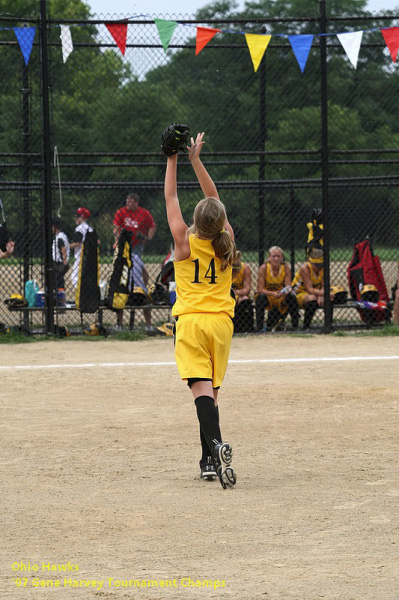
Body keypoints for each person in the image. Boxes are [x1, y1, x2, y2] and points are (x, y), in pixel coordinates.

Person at [164, 131, 236, 489]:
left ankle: (217, 446)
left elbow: (171, 195)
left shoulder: (184, 242)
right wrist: (195, 159)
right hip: (222, 325)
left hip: (191, 323)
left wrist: (171, 157)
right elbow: (213, 200)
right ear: (221, 222)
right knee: (208, 395)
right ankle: (208, 457)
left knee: (200, 392)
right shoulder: (227, 242)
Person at [256, 246, 299, 331]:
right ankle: (259, 327)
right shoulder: (264, 268)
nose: (276, 258)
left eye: (278, 256)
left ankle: (295, 325)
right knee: (260, 298)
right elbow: (260, 289)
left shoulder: (286, 268)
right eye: (273, 256)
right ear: (269, 257)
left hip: (280, 296)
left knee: (292, 298)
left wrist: (283, 293)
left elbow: (287, 286)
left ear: (282, 258)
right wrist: (272, 294)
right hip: (268, 296)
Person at [291, 247, 330, 329]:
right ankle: (306, 327)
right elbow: (309, 289)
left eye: (321, 264)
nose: (319, 267)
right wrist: (323, 293)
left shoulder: (323, 268)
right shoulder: (305, 268)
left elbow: (324, 286)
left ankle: (328, 325)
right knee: (312, 298)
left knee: (332, 296)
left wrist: (322, 295)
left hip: (314, 292)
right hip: (298, 293)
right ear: (310, 262)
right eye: (317, 265)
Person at [116, 254, 155, 334]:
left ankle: (119, 326)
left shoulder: (120, 259)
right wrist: (144, 286)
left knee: (119, 300)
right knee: (146, 302)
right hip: (139, 293)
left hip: (127, 293)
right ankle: (149, 326)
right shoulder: (137, 258)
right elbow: (146, 275)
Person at [113, 193, 156, 257]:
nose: (127, 203)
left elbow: (152, 226)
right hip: (124, 241)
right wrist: (117, 240)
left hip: (137, 242)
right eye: (127, 201)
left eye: (130, 202)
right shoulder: (121, 212)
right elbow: (116, 227)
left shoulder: (144, 213)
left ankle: (140, 266)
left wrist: (148, 238)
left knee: (135, 260)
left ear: (136, 203)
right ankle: (142, 267)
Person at [69, 207, 93, 288]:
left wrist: (66, 246)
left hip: (80, 257)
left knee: (74, 277)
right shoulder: (90, 229)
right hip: (89, 257)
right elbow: (97, 242)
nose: (75, 218)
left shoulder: (79, 229)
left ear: (82, 217)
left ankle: (79, 296)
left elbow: (77, 243)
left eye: (77, 216)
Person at [232, 251, 254, 332]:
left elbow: (247, 289)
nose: (234, 272)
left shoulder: (245, 268)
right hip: (226, 294)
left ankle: (246, 328)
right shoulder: (223, 267)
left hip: (239, 294)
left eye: (236, 270)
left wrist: (235, 293)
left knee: (244, 299)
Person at [52, 217, 70, 291]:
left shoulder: (59, 237)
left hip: (60, 262)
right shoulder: (63, 235)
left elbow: (63, 249)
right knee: (59, 280)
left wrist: (64, 261)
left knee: (57, 281)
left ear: (55, 227)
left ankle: (59, 296)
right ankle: (60, 295)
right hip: (61, 262)